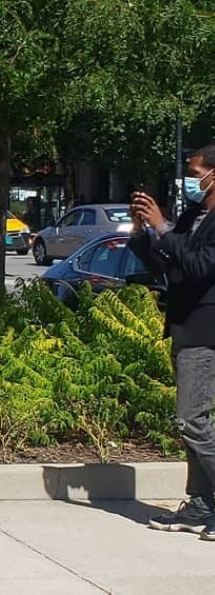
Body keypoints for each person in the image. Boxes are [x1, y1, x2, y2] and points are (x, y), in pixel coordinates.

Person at [130, 145, 215, 541]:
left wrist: (162, 226)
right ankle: (200, 502)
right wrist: (144, 231)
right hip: (183, 324)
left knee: (192, 419)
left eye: (195, 171)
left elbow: (199, 267)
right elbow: (168, 265)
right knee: (192, 421)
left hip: (207, 329)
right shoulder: (194, 215)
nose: (190, 179)